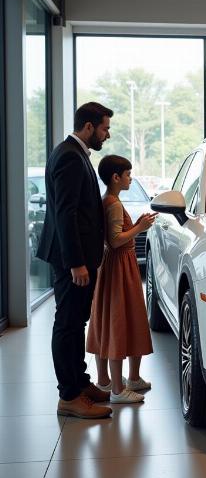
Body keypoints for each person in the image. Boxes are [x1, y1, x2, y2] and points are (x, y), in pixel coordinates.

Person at [37, 102, 114, 419]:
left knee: (75, 322)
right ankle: (68, 396)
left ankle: (80, 383)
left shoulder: (74, 152)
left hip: (79, 257)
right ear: (89, 126)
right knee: (68, 324)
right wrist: (76, 263)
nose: (107, 135)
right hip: (73, 260)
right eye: (105, 128)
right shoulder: (70, 156)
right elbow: (65, 214)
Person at [86, 155, 156, 404]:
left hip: (112, 266)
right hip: (121, 266)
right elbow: (116, 240)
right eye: (128, 174)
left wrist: (136, 224)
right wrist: (140, 228)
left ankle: (107, 381)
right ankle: (118, 388)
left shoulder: (107, 200)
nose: (130, 178)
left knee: (107, 320)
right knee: (122, 320)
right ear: (116, 177)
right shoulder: (114, 204)